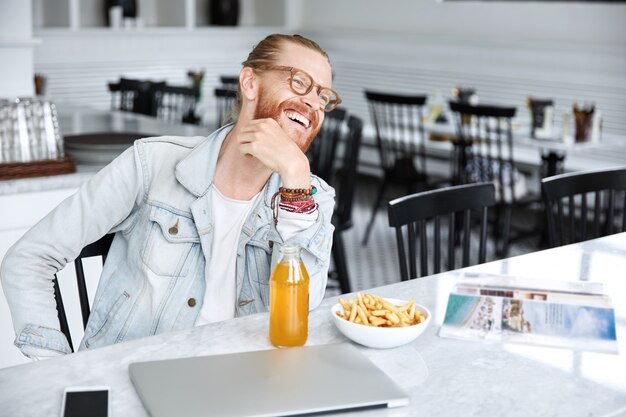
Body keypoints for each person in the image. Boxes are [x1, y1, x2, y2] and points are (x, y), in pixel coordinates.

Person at [0, 34, 341, 358]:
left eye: (323, 96)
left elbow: (299, 318)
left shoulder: (313, 198)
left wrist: (295, 176)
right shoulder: (151, 165)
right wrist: (56, 365)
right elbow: (29, 258)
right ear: (250, 82)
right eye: (299, 82)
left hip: (253, 378)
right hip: (140, 373)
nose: (313, 102)